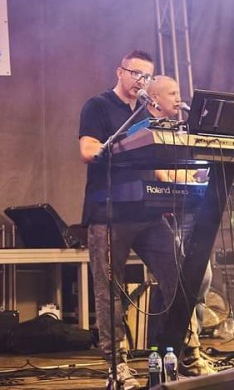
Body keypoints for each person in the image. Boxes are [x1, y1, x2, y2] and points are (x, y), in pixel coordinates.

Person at [79, 51, 180, 390]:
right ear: (119, 72)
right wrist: (120, 144)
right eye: (136, 73)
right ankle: (117, 365)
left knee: (181, 276)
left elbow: (159, 168)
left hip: (148, 213)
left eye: (147, 76)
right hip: (109, 213)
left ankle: (174, 354)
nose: (141, 81)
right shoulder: (98, 106)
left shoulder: (147, 113)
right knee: (109, 290)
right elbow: (88, 150)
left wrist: (188, 185)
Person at [145, 75, 215, 376]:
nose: (178, 98)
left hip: (191, 211)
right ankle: (181, 350)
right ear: (155, 98)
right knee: (184, 280)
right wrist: (184, 178)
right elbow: (161, 176)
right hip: (167, 216)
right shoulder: (148, 130)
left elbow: (192, 171)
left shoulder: (182, 130)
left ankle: (180, 347)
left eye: (178, 93)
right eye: (172, 93)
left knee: (199, 278)